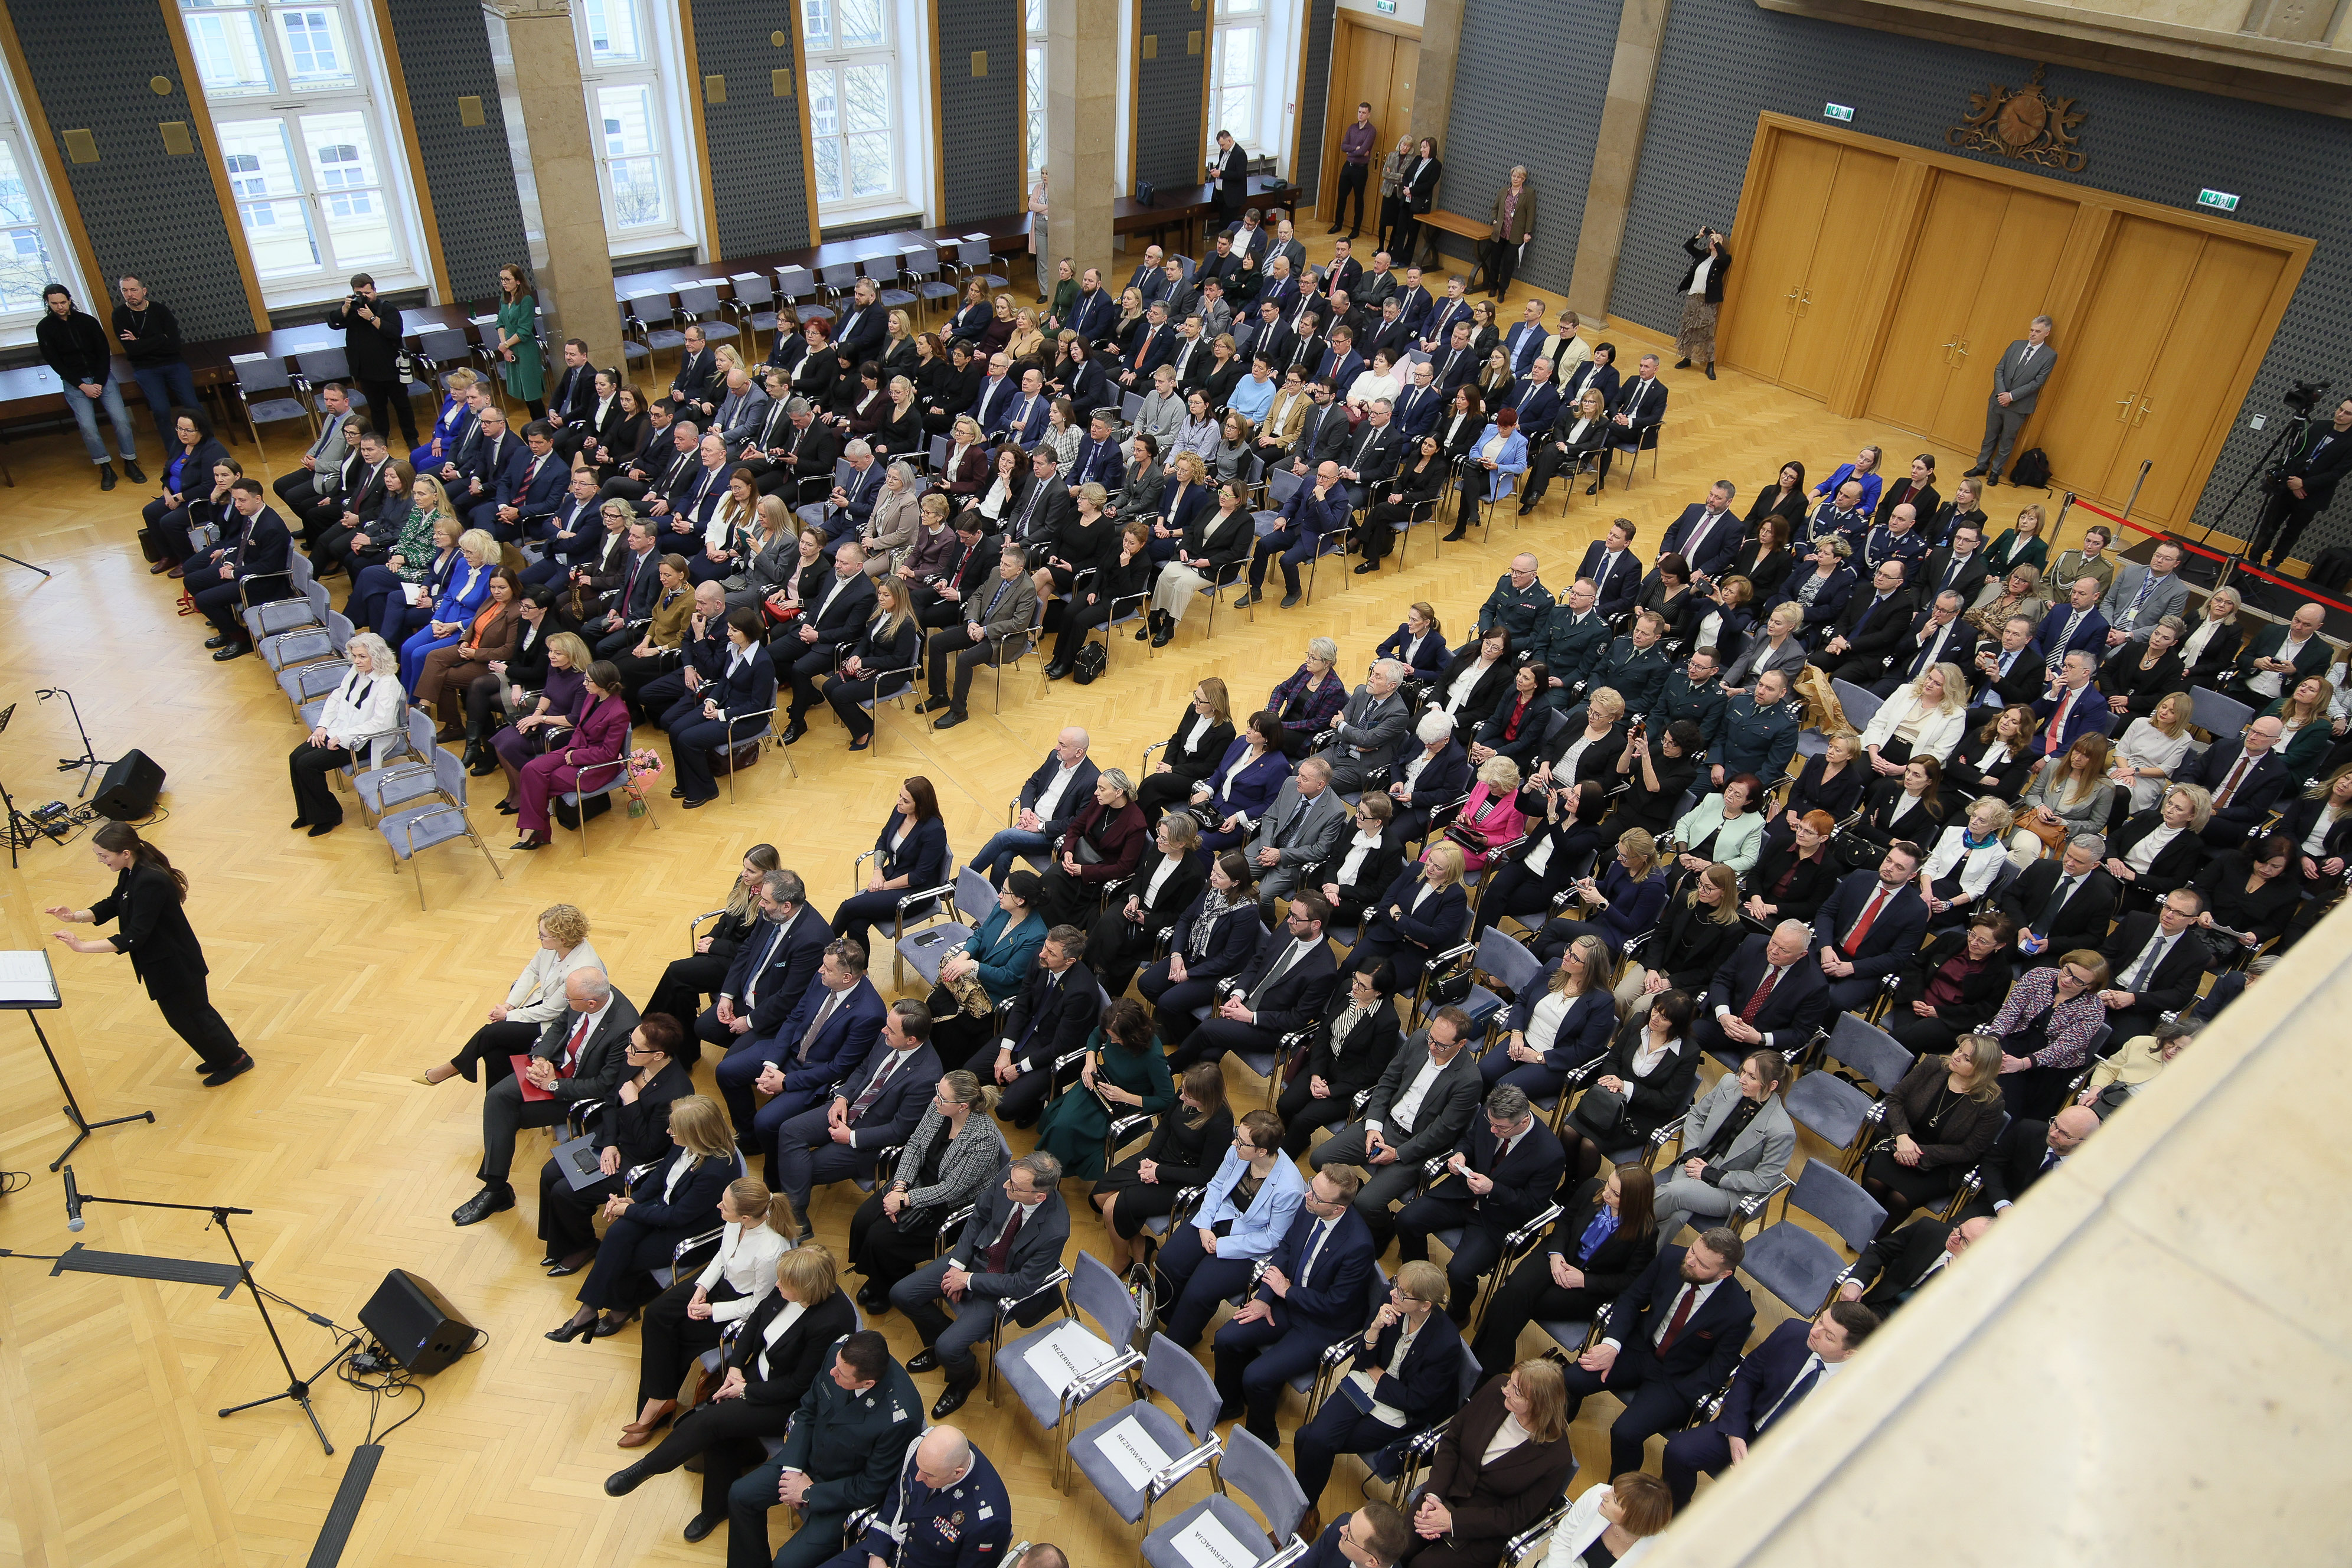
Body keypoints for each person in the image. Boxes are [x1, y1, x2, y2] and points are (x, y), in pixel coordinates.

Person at [46, 822, 251, 1085]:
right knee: (191, 1014)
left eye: (104, 856)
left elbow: (134, 936)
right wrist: (75, 917)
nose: (101, 861)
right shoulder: (132, 871)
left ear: (125, 853)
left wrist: (83, 946)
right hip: (162, 960)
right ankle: (225, 1055)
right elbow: (115, 903)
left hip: (175, 963)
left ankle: (234, 1060)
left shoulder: (150, 879)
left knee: (191, 1016)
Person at [711, 1328, 922, 1567]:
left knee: (787, 1563)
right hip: (808, 1458)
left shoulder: (900, 1418)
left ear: (868, 1383)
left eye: (841, 1374)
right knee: (741, 1495)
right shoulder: (839, 1355)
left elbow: (871, 1486)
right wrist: (792, 1469)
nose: (832, 1373)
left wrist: (808, 1493)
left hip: (842, 1493)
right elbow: (807, 1411)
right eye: (836, 1365)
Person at [622, 1167, 795, 1446]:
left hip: (738, 1305)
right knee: (656, 1314)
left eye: (724, 1205)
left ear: (745, 1217)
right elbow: (722, 1257)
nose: (718, 1207)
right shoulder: (736, 1222)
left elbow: (759, 1305)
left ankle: (654, 1409)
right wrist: (701, 1289)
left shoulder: (771, 1251)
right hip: (717, 1286)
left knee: (679, 1334)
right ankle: (661, 1399)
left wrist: (713, 1310)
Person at [1211, 1162, 1380, 1448]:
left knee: (1256, 1377)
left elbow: (1334, 1305)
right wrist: (1265, 1297)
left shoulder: (1358, 1246)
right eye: (1311, 1186)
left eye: (1316, 1196)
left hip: (1320, 1324)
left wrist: (1287, 1291)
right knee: (1226, 1338)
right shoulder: (1312, 1205)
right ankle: (1229, 1404)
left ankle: (1263, 1436)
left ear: (1338, 1209)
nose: (1307, 1196)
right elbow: (1287, 1248)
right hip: (1288, 1300)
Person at [890, 1154, 1070, 1417]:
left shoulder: (1056, 1230)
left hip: (1000, 1286)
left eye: (1015, 1187)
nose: (1006, 1185)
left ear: (1039, 1197)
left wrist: (968, 1280)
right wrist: (958, 1266)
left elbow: (1022, 1284)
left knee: (950, 1348)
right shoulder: (1012, 1175)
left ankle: (965, 1376)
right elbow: (978, 1218)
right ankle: (942, 1346)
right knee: (902, 1294)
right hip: (974, 1257)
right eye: (1009, 1180)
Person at [1658, 1304, 1878, 1511]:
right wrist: (1735, 1434)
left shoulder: (1862, 1393)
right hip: (1748, 1428)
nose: (1815, 1332)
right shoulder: (1792, 1332)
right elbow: (1748, 1376)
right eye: (1820, 1321)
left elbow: (1832, 1454)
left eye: (1829, 1337)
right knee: (1679, 1452)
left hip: (1789, 1463)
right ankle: (1676, 1518)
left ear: (1850, 1353)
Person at [1469, 1161, 1658, 1379]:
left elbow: (1631, 1281)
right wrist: (1556, 1254)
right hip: (1558, 1254)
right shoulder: (1592, 1188)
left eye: (1615, 1194)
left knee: (1509, 1302)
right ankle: (1490, 1373)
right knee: (1511, 1295)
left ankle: (1480, 1372)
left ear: (1634, 1201)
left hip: (1588, 1286)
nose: (1606, 1193)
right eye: (1608, 1184)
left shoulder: (1646, 1233)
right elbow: (1565, 1222)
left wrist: (1584, 1280)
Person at [1394, 1086, 1567, 1322]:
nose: (1493, 1130)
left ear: (1524, 1121)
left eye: (1501, 1128)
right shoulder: (1491, 1115)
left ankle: (1458, 1314)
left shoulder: (1550, 1154)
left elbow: (1533, 1205)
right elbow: (1470, 1139)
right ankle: (1419, 1285)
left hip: (1496, 1218)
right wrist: (1461, 1154)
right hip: (1462, 1195)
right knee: (1407, 1219)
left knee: (1460, 1272)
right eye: (1491, 1123)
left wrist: (1493, 1189)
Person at [767, 998, 942, 1224]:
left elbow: (899, 1131)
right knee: (790, 1131)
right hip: (847, 1108)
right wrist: (842, 1098)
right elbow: (863, 1069)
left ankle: (791, 1220)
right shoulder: (889, 1038)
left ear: (911, 1040)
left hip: (868, 1140)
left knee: (800, 1168)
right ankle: (795, 1219)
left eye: (891, 1029)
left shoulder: (927, 1077)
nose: (883, 1030)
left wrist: (850, 1137)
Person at [850, 1070, 1011, 1310]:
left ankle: (887, 1284)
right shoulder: (938, 1109)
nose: (936, 1098)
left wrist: (904, 1201)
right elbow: (915, 1146)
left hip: (949, 1204)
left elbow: (953, 1189)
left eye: (943, 1097)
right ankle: (880, 1274)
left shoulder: (984, 1138)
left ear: (962, 1106)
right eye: (938, 1091)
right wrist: (900, 1186)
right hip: (916, 1182)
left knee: (881, 1238)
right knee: (863, 1219)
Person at [1406, 1361, 1578, 1568]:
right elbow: (1452, 1440)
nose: (1505, 1390)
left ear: (1539, 1405)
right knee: (1396, 1546)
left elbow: (1514, 1517)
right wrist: (1434, 1495)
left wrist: (1451, 1521)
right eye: (1510, 1382)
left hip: (1485, 1531)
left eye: (1516, 1391)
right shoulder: (1495, 1390)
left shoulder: (1556, 1457)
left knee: (1422, 1566)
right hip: (1446, 1491)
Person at [1649, 1053, 1797, 1240]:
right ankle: (1642, 1255)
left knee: (1673, 1193)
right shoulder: (1729, 1083)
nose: (1741, 1079)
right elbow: (1697, 1115)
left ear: (1772, 1085)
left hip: (1729, 1190)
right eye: (1743, 1071)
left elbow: (1763, 1180)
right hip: (1697, 1161)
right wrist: (1691, 1152)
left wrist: (1710, 1174)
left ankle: (1622, 1224)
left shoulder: (1781, 1131)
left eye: (1751, 1077)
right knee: (1677, 1216)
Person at [281, 633, 404, 838]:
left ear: (377, 656)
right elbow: (337, 697)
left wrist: (344, 736)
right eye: (355, 656)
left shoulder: (388, 683)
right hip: (339, 730)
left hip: (364, 740)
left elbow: (381, 723)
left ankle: (329, 815)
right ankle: (307, 814)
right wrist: (322, 726)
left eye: (363, 657)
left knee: (308, 765)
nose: (357, 661)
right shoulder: (356, 671)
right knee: (295, 758)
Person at [37, 284, 143, 489]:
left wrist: (99, 382)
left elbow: (103, 352)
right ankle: (104, 466)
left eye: (63, 302)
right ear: (48, 304)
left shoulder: (87, 322)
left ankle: (130, 461)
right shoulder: (44, 328)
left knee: (121, 420)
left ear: (69, 300)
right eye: (55, 304)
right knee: (88, 427)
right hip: (75, 383)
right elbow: (54, 361)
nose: (60, 307)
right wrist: (82, 385)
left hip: (101, 377)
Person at [1988, 950, 2113, 1116]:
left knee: (2008, 1096)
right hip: (2017, 1037)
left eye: (2077, 981)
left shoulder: (2094, 1009)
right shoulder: (2038, 975)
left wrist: (2022, 1064)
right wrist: (1993, 1040)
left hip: (2053, 1064)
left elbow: (2063, 1047)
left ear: (2090, 986)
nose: (2067, 980)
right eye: (2067, 970)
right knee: (1986, 1070)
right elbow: (2010, 1012)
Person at [2250, 394, 2352, 569]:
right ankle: (2253, 561)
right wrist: (2293, 481)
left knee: (2291, 533)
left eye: (2347, 413)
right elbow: (2294, 453)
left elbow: (2337, 473)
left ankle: (2273, 566)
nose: (2340, 414)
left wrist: (2304, 485)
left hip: (2312, 495)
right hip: (2288, 486)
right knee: (2268, 526)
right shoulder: (2320, 426)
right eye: (2340, 409)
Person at [327, 272, 417, 446]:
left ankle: (411, 438)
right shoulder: (353, 310)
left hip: (391, 368)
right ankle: (381, 440)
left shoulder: (387, 309)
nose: (365, 297)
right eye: (360, 293)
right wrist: (345, 308)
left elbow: (395, 332)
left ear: (375, 290)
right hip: (366, 371)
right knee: (377, 408)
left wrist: (372, 318)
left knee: (402, 405)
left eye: (368, 293)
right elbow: (333, 323)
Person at [1967, 316, 2054, 486]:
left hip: (2018, 405)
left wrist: (2012, 396)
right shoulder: (2016, 345)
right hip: (1998, 400)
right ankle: (1981, 466)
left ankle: (1996, 472)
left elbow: (2038, 382)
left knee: (2007, 440)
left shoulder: (2049, 356)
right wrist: (2002, 393)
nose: (2033, 334)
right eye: (2031, 330)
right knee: (1990, 435)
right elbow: (2000, 368)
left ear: (2047, 333)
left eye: (2037, 332)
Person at [1675, 226, 1730, 378]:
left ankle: (1710, 364)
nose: (1713, 241)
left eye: (1718, 240)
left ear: (1723, 244)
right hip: (1693, 298)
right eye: (1712, 239)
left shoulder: (1723, 260)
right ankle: (1687, 358)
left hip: (1707, 301)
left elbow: (1724, 258)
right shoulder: (1703, 256)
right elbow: (1688, 246)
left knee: (1706, 332)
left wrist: (1716, 240)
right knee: (1689, 329)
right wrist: (1699, 236)